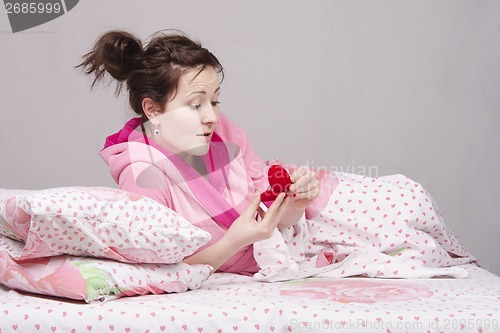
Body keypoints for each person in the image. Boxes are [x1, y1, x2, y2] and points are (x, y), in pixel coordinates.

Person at [78, 30, 473, 278]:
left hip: (296, 226)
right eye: (195, 104)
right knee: (412, 246)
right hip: (276, 246)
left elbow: (269, 207)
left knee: (409, 198)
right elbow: (163, 268)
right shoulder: (143, 174)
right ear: (153, 110)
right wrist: (238, 240)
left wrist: (294, 197)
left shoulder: (223, 134)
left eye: (214, 101)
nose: (212, 116)